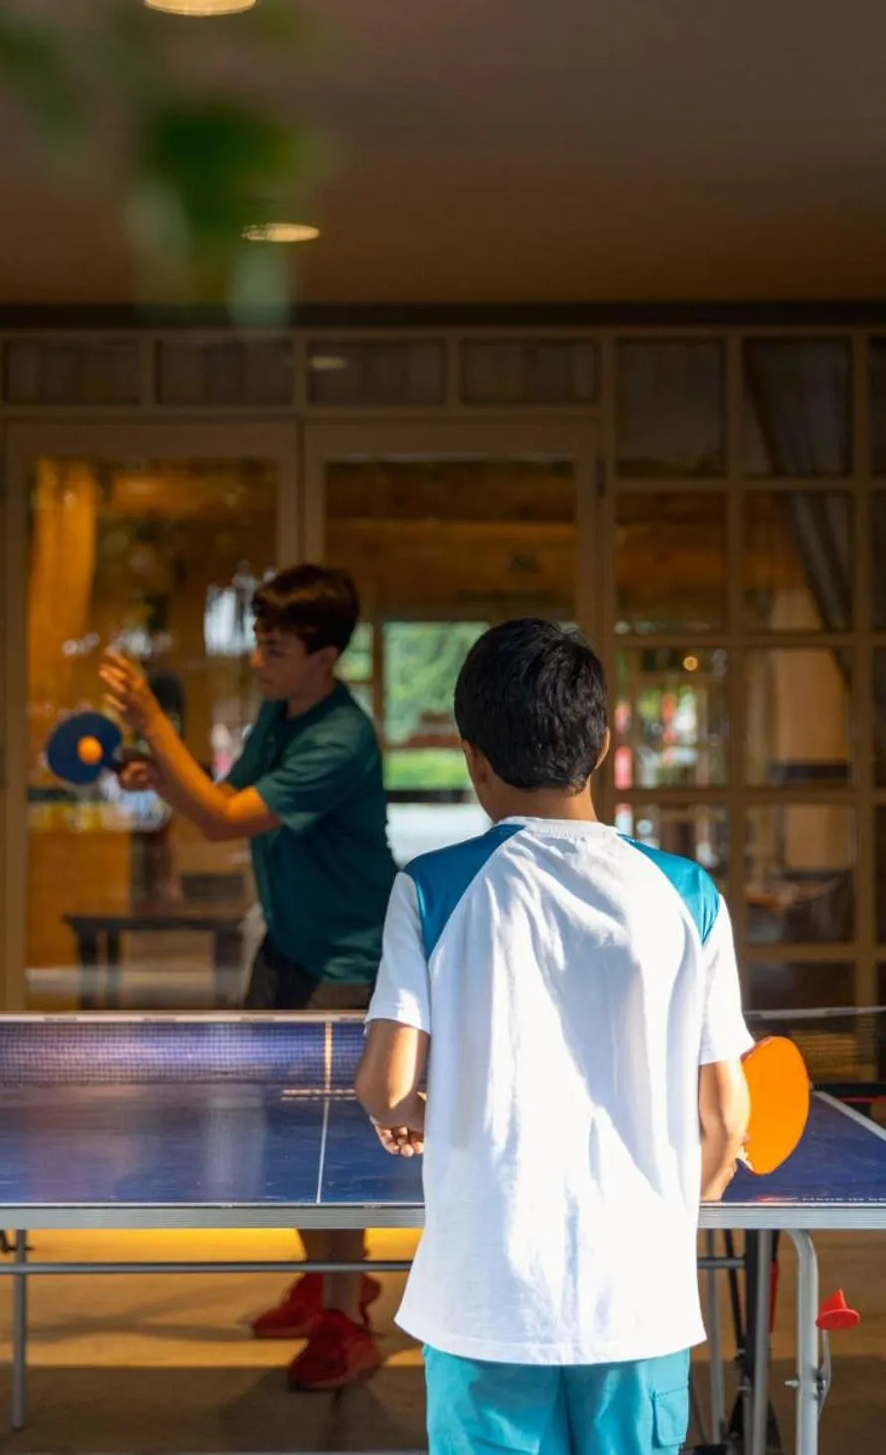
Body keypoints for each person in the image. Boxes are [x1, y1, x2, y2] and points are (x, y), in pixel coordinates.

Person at [356, 619, 752, 1455]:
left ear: (474, 759)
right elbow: (725, 1117)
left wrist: (419, 1114)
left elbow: (385, 1087)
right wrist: (677, 1202)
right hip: (637, 1300)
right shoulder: (688, 893)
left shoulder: (430, 888)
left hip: (484, 1294)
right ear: (602, 744)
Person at [101, 564, 396, 1392]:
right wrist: (161, 772)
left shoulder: (340, 738)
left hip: (347, 959)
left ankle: (346, 1320)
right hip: (288, 946)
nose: (259, 662)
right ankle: (330, 1282)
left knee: (327, 1144)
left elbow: (225, 821)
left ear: (324, 656)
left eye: (276, 648)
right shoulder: (280, 711)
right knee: (286, 1130)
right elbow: (224, 795)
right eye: (259, 643)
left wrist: (153, 721)